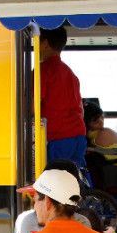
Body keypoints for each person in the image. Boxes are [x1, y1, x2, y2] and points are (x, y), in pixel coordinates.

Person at [38, 28, 87, 167]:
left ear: (44, 43)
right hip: (79, 136)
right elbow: (81, 111)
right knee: (68, 180)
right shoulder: (71, 74)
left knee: (51, 184)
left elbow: (32, 107)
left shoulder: (42, 70)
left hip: (58, 137)